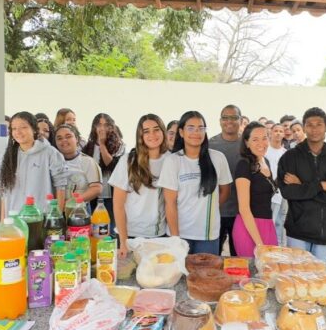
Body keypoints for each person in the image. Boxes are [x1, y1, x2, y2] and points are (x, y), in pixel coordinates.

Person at [277, 107, 326, 262]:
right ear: (304, 127)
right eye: (310, 125)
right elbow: (288, 193)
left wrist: (302, 185)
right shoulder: (290, 157)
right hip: (298, 231)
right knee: (295, 277)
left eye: (319, 124)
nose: (314, 129)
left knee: (318, 281)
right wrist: (321, 186)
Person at [159, 111, 232, 255]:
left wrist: (207, 208)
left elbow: (225, 191)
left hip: (208, 236)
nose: (196, 132)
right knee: (179, 276)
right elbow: (170, 203)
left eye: (201, 128)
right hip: (180, 235)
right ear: (181, 132)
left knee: (206, 276)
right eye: (191, 128)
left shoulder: (218, 158)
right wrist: (175, 238)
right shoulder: (173, 161)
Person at [109, 114, 169, 259]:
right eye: (146, 131)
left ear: (163, 132)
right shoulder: (128, 160)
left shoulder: (171, 159)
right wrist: (124, 242)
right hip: (130, 235)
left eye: (156, 129)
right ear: (140, 135)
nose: (152, 135)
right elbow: (118, 205)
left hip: (159, 235)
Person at [0, 111, 67, 218]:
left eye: (23, 127)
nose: (18, 132)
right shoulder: (6, 157)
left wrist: (56, 218)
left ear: (34, 129)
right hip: (14, 221)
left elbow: (61, 187)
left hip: (41, 218)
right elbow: (4, 194)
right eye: (14, 128)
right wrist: (3, 222)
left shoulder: (50, 153)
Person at [232, 122, 279, 257]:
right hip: (249, 228)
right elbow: (244, 209)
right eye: (255, 139)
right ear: (246, 143)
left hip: (268, 224)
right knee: (251, 275)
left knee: (268, 274)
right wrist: (259, 244)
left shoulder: (266, 162)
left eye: (264, 138)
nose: (261, 143)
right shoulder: (244, 165)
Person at [209, 105, 242, 255]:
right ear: (220, 121)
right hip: (216, 211)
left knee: (239, 256)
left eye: (234, 117)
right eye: (225, 117)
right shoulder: (210, 145)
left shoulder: (248, 144)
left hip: (241, 213)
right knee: (213, 256)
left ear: (240, 120)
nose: (229, 121)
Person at [83, 113, 125, 225]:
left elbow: (111, 165)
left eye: (106, 125)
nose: (102, 128)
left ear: (111, 127)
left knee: (110, 228)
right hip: (92, 196)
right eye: (99, 125)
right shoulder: (88, 147)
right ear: (94, 127)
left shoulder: (119, 145)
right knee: (94, 226)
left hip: (111, 195)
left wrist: (102, 143)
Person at [55, 124, 102, 203]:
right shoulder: (52, 162)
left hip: (80, 210)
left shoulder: (88, 161)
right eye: (59, 138)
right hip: (54, 210)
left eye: (68, 136)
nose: (64, 140)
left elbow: (96, 188)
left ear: (76, 139)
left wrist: (73, 202)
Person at [266, 123, 287, 245]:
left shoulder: (286, 153)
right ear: (270, 133)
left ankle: (277, 249)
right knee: (269, 223)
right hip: (267, 194)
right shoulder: (265, 150)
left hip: (282, 195)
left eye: (280, 131)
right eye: (276, 131)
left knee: (279, 224)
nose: (278, 133)